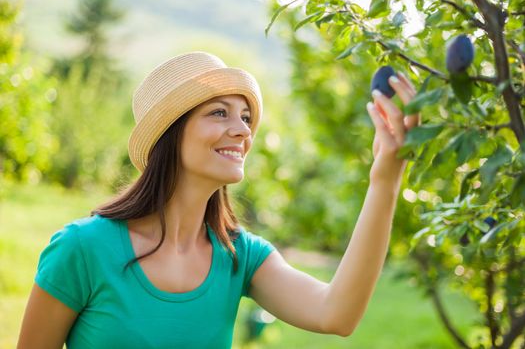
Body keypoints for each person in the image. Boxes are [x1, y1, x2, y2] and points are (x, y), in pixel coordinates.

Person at [17, 51, 420, 348]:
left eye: (245, 118)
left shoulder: (239, 258)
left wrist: (385, 177)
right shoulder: (82, 249)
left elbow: (337, 313)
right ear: (171, 135)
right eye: (219, 113)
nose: (242, 131)